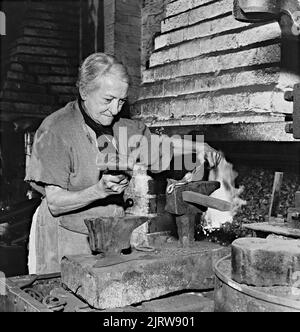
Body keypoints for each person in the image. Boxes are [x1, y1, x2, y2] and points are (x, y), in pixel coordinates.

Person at [25, 53, 222, 275]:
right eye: (107, 100)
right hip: (65, 234)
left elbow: (159, 147)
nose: (115, 109)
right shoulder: (56, 130)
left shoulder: (122, 128)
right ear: (84, 91)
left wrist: (196, 147)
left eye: (121, 101)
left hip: (111, 234)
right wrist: (98, 191)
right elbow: (55, 202)